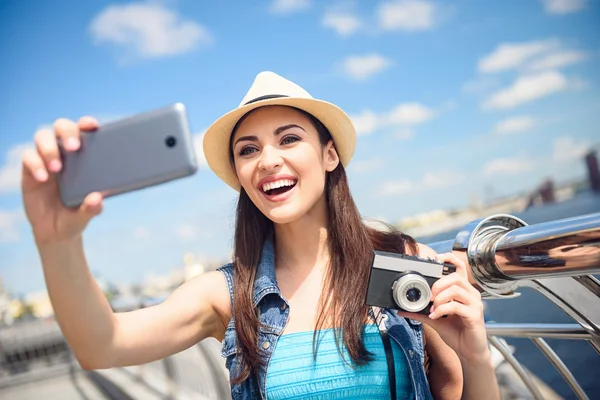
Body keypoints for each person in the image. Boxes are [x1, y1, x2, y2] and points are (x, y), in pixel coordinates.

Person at [22, 71, 500, 399]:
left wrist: (474, 351)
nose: (268, 159)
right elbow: (102, 344)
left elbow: (452, 389)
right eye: (248, 150)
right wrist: (57, 241)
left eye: (289, 139)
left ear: (330, 155)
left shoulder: (400, 260)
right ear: (241, 175)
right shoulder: (230, 295)